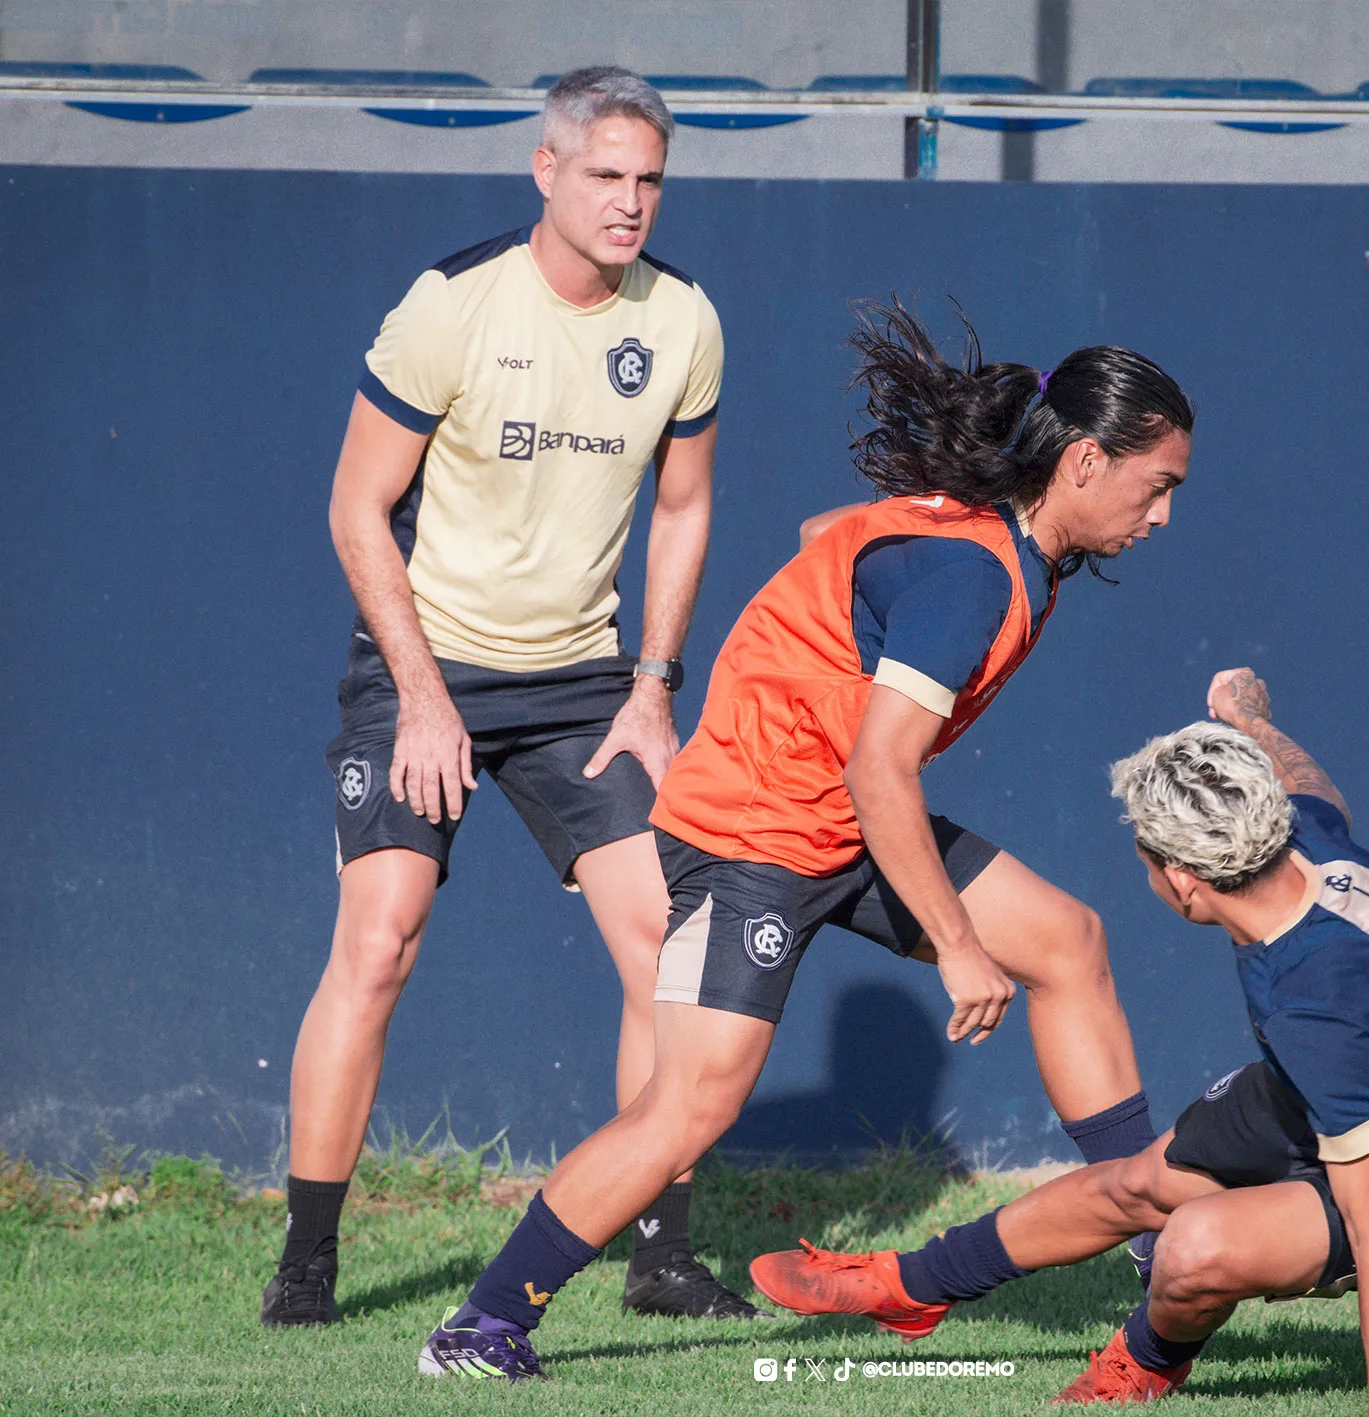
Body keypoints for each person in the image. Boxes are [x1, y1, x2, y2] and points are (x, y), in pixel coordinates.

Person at [416, 301, 1195, 1380]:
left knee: (1065, 940)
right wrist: (958, 945)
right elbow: (882, 768)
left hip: (835, 813)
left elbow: (821, 545)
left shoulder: (993, 540)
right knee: (691, 1106)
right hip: (758, 833)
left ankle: (1152, 1229)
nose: (1161, 517)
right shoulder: (974, 572)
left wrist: (823, 645)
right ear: (1086, 464)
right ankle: (480, 1325)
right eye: (1157, 487)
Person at [262, 66, 752, 1327]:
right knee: (380, 944)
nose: (631, 203)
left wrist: (653, 688)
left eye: (649, 180)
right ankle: (306, 1270)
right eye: (606, 176)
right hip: (423, 661)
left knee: (667, 951)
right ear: (547, 170)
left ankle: (661, 1251)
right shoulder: (452, 306)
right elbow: (353, 507)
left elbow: (684, 509)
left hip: (585, 682)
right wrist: (425, 702)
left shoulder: (684, 320)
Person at [750, 670, 1369, 1414]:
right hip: (1367, 1073)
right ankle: (914, 1284)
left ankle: (1146, 1359)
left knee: (1192, 1247)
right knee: (1136, 1182)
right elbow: (1316, 788)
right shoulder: (1297, 840)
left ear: (1184, 881)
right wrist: (1249, 719)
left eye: (1146, 860)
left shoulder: (1318, 1011)